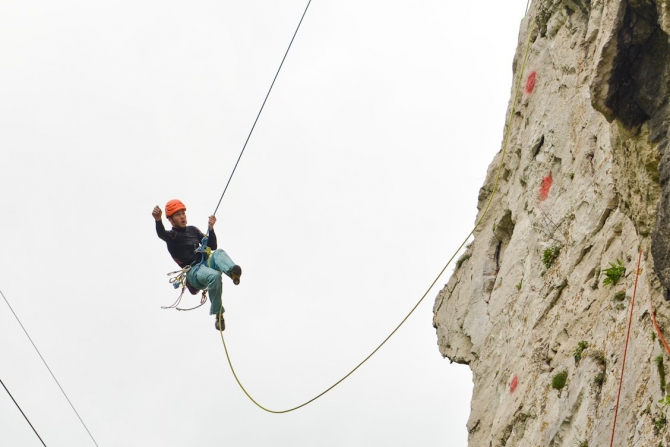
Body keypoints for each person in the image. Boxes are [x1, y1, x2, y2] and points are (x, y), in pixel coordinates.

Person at [152, 199, 241, 331]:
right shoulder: (172, 236)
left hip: (205, 263)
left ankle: (232, 272)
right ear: (171, 220)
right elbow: (161, 234)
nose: (182, 216)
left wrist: (211, 229)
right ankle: (218, 314)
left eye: (183, 213)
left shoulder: (193, 230)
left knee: (218, 252)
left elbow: (212, 246)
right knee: (215, 276)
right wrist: (158, 220)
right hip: (194, 272)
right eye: (178, 215)